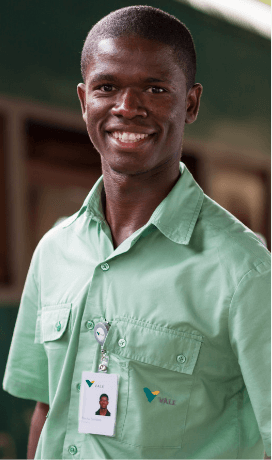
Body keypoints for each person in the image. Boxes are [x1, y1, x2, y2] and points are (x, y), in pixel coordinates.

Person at [3, 5, 271, 460]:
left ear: (191, 103)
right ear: (85, 100)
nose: (127, 107)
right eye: (107, 87)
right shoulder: (54, 251)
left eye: (155, 88)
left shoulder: (245, 271)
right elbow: (46, 411)